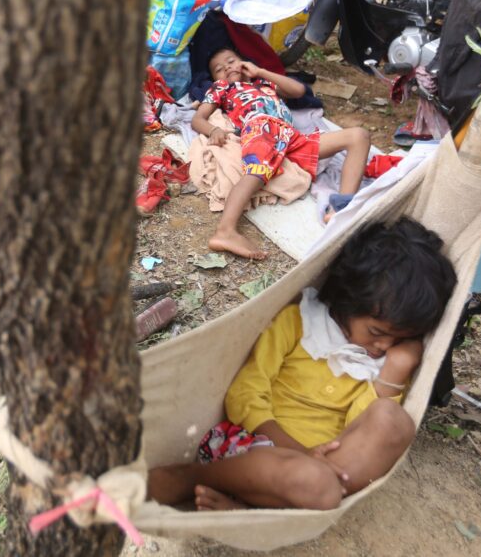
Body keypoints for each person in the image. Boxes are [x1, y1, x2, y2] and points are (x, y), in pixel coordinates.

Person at [148, 218, 457, 511]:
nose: (385, 346)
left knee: (391, 422)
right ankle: (191, 478)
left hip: (324, 473)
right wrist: (295, 450)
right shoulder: (298, 323)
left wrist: (395, 373)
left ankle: (249, 509)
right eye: (377, 332)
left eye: (399, 339)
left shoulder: (379, 360)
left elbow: (362, 430)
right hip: (256, 447)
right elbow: (246, 391)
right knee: (312, 479)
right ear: (348, 300)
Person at [192, 47, 370, 259]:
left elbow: (298, 91)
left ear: (245, 62)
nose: (227, 68)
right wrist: (214, 130)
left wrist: (260, 72)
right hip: (261, 127)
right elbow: (197, 119)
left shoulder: (263, 82)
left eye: (231, 61)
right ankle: (225, 231)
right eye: (219, 69)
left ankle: (342, 208)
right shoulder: (221, 88)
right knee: (256, 172)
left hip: (290, 138)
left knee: (358, 136)